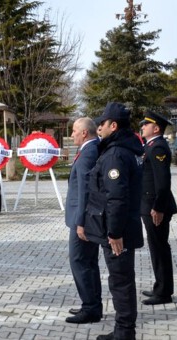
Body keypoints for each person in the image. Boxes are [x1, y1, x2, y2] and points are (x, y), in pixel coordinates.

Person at [85, 102, 144, 340]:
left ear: (114, 125)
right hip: (118, 227)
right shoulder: (121, 149)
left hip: (118, 231)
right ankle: (123, 329)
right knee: (121, 280)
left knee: (120, 281)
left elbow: (116, 197)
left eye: (102, 124)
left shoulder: (116, 154)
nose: (99, 128)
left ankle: (124, 332)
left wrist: (114, 233)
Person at [64, 117, 102, 324]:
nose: (72, 135)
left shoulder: (89, 152)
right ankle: (92, 305)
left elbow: (86, 190)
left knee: (80, 261)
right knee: (88, 262)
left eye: (74, 131)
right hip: (84, 217)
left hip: (84, 219)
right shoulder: (90, 149)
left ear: (84, 133)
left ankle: (90, 308)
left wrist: (80, 222)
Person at [139, 111, 177, 306]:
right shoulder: (150, 146)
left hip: (155, 206)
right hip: (150, 205)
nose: (142, 126)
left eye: (146, 124)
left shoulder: (158, 147)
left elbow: (162, 182)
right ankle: (160, 286)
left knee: (160, 248)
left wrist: (158, 207)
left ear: (156, 128)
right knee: (156, 247)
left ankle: (163, 293)